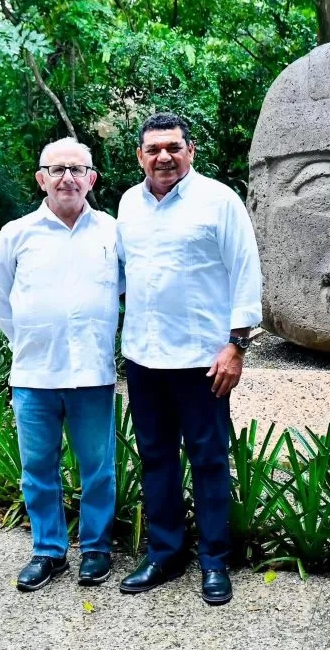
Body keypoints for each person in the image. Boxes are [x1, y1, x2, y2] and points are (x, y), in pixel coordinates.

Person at [116, 112, 262, 605]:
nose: (164, 156)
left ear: (190, 151)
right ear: (140, 156)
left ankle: (215, 562)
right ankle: (165, 553)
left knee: (208, 458)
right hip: (143, 357)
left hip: (204, 360)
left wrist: (237, 345)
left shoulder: (219, 201)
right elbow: (121, 275)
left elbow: (245, 272)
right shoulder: (127, 205)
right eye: (154, 149)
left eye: (173, 147)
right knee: (155, 458)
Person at [0, 137, 119, 592]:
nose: (67, 177)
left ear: (91, 179)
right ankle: (48, 551)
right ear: (41, 178)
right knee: (38, 468)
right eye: (57, 169)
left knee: (98, 467)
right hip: (34, 375)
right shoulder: (16, 233)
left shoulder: (111, 232)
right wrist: (28, 339)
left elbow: (128, 290)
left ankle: (97, 548)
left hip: (92, 375)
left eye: (77, 169)